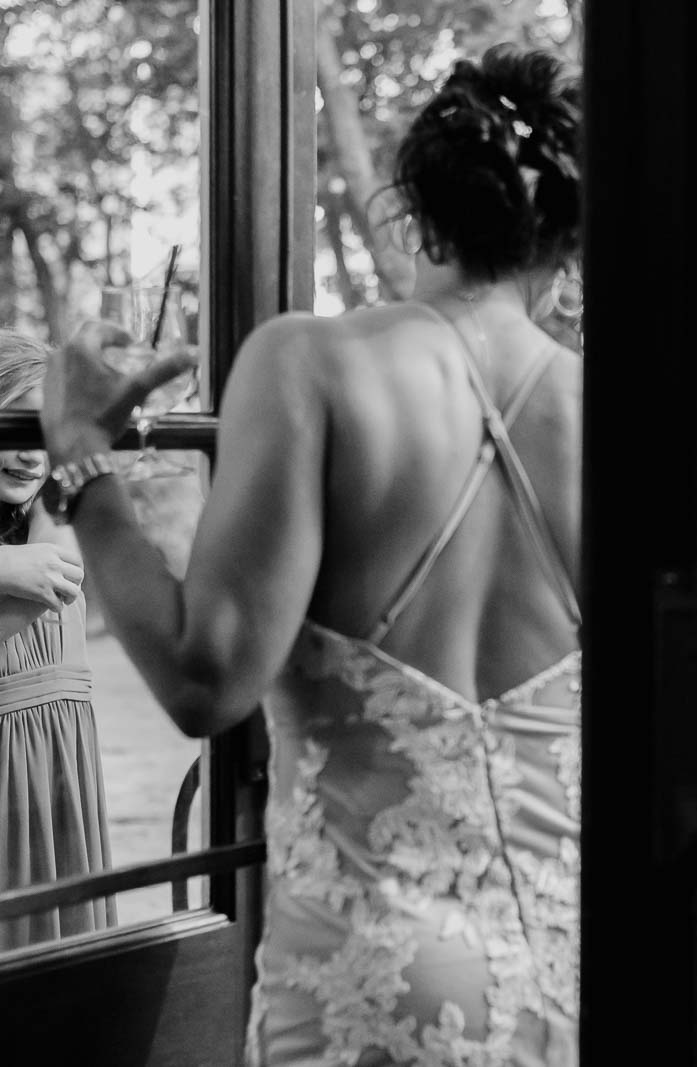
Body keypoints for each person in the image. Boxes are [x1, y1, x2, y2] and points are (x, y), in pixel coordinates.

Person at [40, 43, 581, 1066]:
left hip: (363, 991)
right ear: (566, 235)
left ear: (419, 210)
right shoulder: (614, 417)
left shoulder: (312, 362)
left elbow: (207, 679)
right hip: (566, 986)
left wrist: (83, 463)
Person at [0, 330, 114, 950]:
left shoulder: (49, 531)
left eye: (44, 432)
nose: (32, 456)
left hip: (62, 780)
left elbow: (58, 564)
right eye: (16, 428)